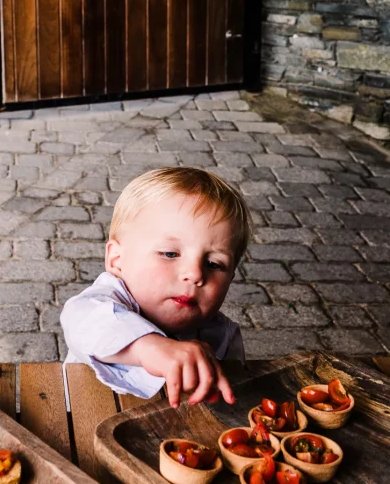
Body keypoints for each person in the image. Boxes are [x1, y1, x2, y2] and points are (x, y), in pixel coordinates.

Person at [60, 167, 251, 408]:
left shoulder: (223, 337)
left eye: (214, 264)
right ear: (117, 260)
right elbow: (82, 320)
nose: (194, 274)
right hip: (79, 425)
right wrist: (151, 348)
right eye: (170, 253)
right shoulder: (104, 302)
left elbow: (234, 400)